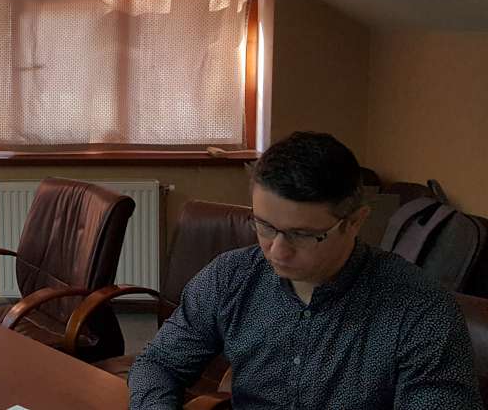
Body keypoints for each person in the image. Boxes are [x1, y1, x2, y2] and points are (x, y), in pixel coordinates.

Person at [129, 131, 481, 409]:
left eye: (303, 234)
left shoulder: (420, 310)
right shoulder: (231, 277)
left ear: (355, 222)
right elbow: (157, 365)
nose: (277, 251)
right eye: (265, 226)